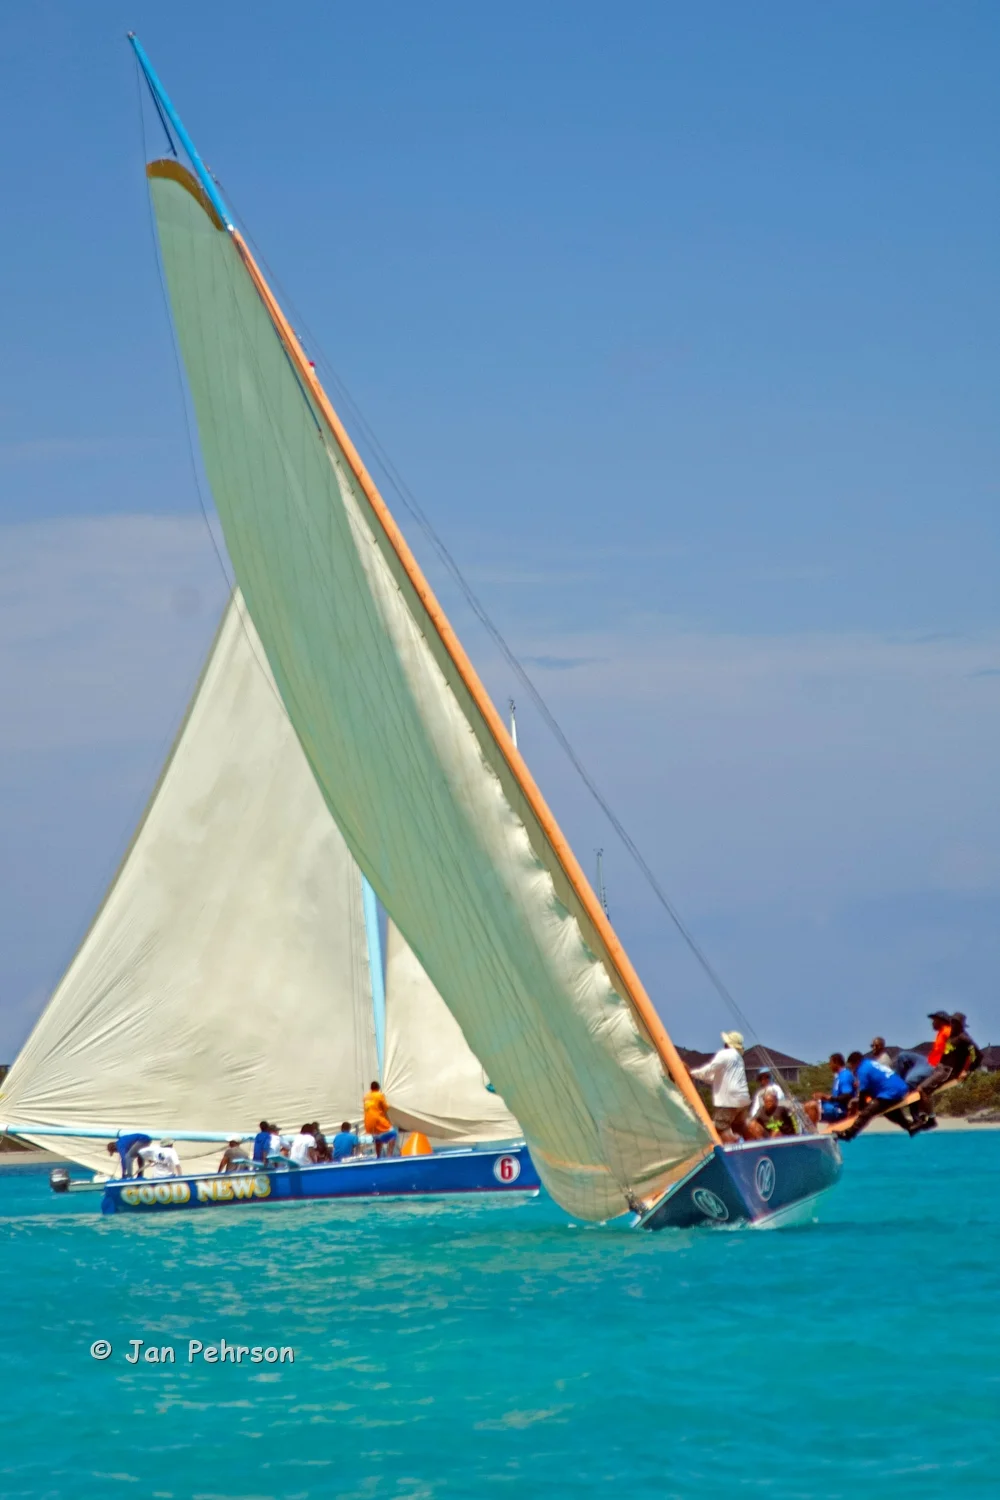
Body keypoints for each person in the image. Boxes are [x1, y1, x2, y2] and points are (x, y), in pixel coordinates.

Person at [911, 1012, 982, 1131]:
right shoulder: (951, 1036)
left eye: (955, 1022)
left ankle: (931, 1120)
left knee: (921, 1089)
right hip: (940, 1068)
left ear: (961, 1025)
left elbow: (978, 1055)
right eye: (951, 1022)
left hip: (947, 1071)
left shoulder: (963, 1038)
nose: (952, 1024)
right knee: (918, 1087)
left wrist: (966, 1071)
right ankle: (923, 1117)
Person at [689, 1032, 752, 1142]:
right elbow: (715, 1079)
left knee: (718, 1128)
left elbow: (709, 1070)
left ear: (728, 1044)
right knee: (738, 1128)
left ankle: (736, 1149)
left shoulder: (725, 1054)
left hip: (730, 1102)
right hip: (743, 1102)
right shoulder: (738, 1058)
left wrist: (691, 1073)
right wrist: (697, 1076)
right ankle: (747, 1145)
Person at [839, 1053, 917, 1140]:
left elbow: (864, 1092)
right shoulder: (870, 1063)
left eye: (851, 1067)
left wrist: (860, 1110)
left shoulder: (862, 1069)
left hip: (891, 1092)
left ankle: (848, 1134)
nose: (852, 1070)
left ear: (855, 1063)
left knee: (866, 1113)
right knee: (888, 1111)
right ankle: (910, 1126)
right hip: (900, 1088)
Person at [363, 1081, 398, 1157]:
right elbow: (385, 1108)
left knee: (378, 1137)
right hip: (377, 1121)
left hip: (368, 1124)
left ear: (371, 1088)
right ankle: (389, 1156)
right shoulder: (379, 1095)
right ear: (378, 1088)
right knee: (393, 1134)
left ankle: (378, 1157)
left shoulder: (366, 1097)